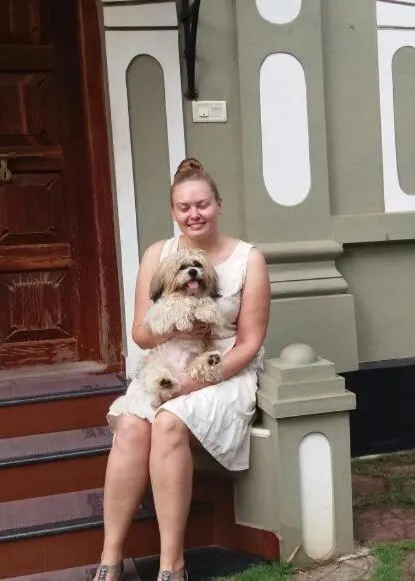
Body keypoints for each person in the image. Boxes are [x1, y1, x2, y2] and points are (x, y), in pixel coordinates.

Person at [93, 157, 271, 581]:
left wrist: (196, 380)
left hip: (222, 367)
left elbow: (249, 343)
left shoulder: (250, 260)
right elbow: (139, 333)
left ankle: (172, 566)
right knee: (133, 427)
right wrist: (176, 325)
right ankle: (109, 559)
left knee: (169, 421)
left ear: (218, 205)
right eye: (184, 207)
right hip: (166, 362)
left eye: (202, 204)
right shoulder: (159, 254)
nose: (194, 214)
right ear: (174, 211)